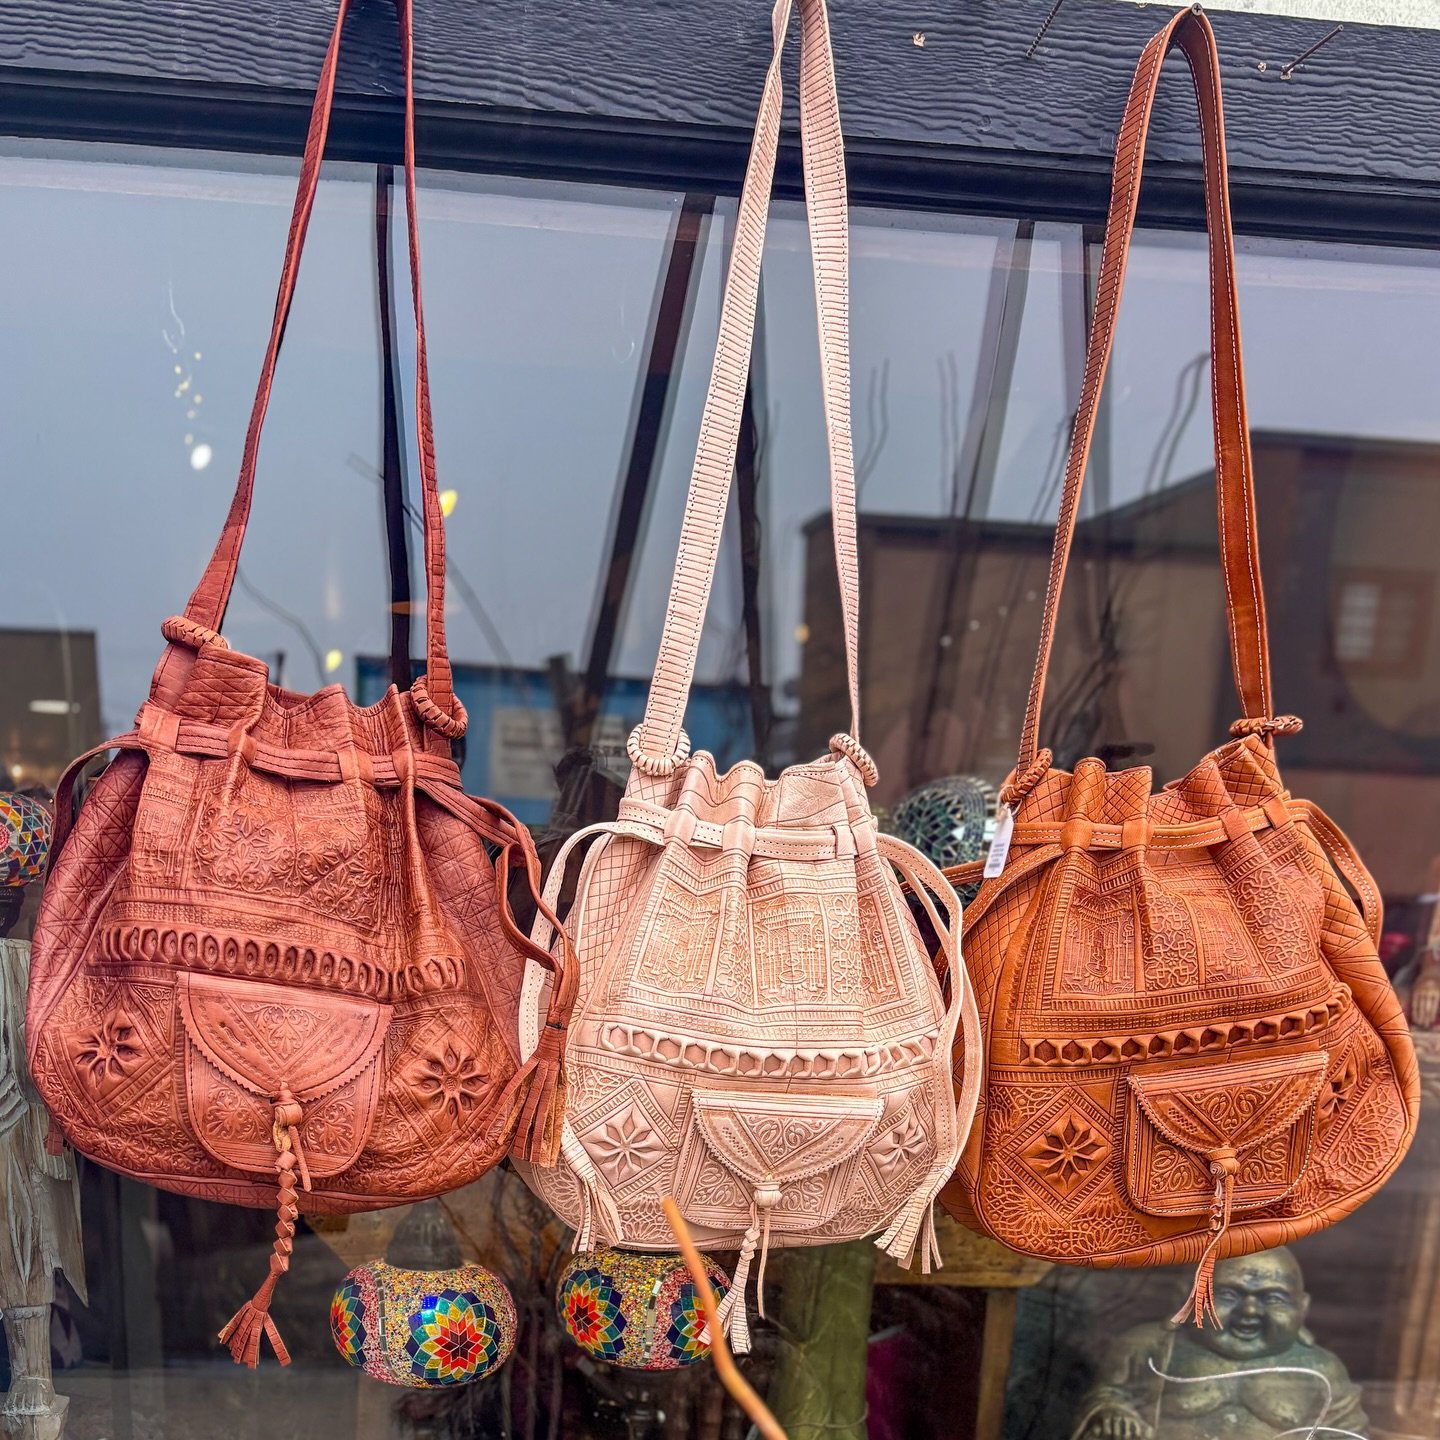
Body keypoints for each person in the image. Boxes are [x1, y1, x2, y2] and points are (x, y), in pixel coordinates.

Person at [1071, 1247, 1367, 1440]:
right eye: (1229, 1295)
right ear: (1189, 1298)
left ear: (1301, 1309)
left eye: (1273, 1298)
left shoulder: (1320, 1369)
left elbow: (1348, 1433)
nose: (1249, 1311)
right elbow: (1105, 1399)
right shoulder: (1151, 1346)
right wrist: (1112, 1414)